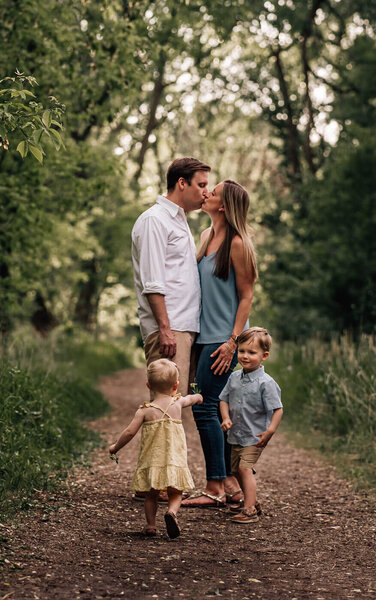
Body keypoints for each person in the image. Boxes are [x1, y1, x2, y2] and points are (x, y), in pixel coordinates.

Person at [182, 179, 257, 508]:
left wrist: (232, 343)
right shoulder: (205, 236)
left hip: (224, 341)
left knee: (205, 407)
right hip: (203, 337)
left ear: (223, 206)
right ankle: (230, 485)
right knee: (214, 409)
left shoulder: (238, 243)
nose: (206, 193)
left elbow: (247, 296)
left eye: (212, 192)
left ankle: (216, 486)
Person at [131, 157, 211, 397]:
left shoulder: (179, 220)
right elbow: (152, 281)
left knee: (173, 413)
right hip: (170, 330)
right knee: (165, 411)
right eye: (201, 185)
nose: (206, 193)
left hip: (183, 328)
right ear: (182, 183)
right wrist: (165, 329)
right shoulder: (155, 220)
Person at [109, 359, 203, 538]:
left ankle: (151, 525)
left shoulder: (145, 411)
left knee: (151, 495)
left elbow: (129, 432)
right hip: (174, 459)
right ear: (176, 385)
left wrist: (115, 447)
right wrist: (199, 397)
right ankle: (172, 513)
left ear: (148, 385)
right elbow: (192, 398)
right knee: (176, 492)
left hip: (152, 460)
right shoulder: (177, 403)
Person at [219, 327, 283, 524]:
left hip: (254, 436)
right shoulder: (234, 377)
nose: (245, 356)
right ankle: (252, 501)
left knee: (245, 469)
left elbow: (277, 409)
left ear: (264, 356)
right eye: (242, 351)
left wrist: (270, 431)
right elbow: (224, 400)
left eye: (251, 352)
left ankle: (249, 510)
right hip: (236, 435)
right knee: (236, 470)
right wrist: (225, 418)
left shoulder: (266, 383)